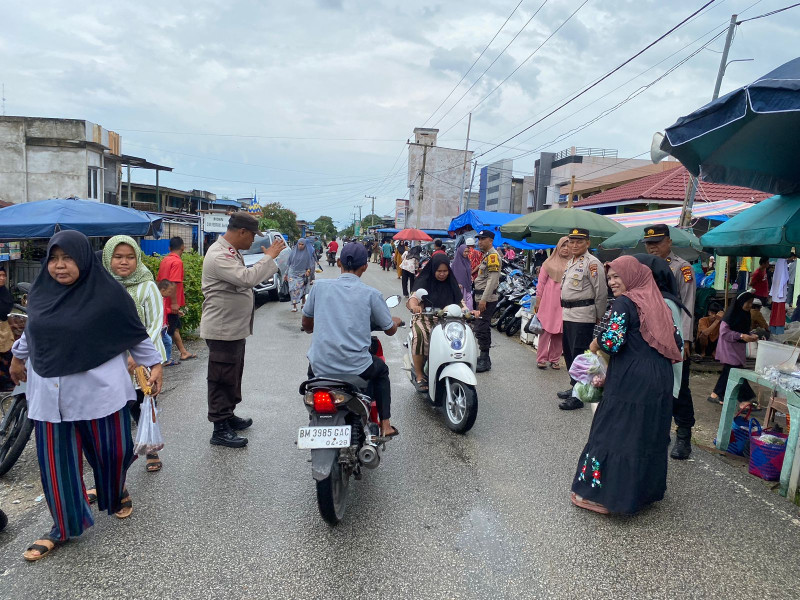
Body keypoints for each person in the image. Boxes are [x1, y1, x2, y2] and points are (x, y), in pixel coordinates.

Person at [9, 231, 164, 561]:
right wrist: (17, 356)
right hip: (49, 392)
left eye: (68, 259)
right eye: (53, 258)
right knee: (56, 463)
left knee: (115, 451)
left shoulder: (108, 296)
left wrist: (154, 364)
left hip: (98, 391)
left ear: (84, 260)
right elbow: (33, 330)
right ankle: (62, 527)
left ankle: (114, 487)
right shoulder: (40, 295)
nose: (60, 266)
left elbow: (133, 333)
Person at [570, 256, 682, 516]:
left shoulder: (625, 303)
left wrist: (596, 342)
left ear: (632, 277)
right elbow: (674, 339)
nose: (612, 282)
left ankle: (603, 497)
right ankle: (642, 494)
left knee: (613, 431)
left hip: (632, 378)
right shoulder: (658, 302)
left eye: (617, 276)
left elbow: (611, 343)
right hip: (660, 376)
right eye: (609, 278)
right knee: (644, 432)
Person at [200, 212, 286, 448]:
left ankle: (227, 415)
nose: (253, 242)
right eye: (252, 237)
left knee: (232, 375)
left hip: (232, 328)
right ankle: (219, 428)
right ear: (241, 232)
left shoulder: (230, 251)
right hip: (222, 328)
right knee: (220, 377)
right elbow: (247, 278)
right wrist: (268, 257)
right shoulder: (219, 255)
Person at [302, 243, 402, 436]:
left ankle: (314, 414)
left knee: (312, 376)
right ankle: (385, 425)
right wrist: (395, 322)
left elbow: (307, 325)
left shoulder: (319, 287)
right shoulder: (371, 294)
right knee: (381, 371)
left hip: (320, 366)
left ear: (338, 262)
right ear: (365, 266)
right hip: (358, 367)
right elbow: (389, 330)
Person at [102, 235, 168, 473]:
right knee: (119, 406)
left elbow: (154, 323)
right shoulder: (103, 285)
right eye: (118, 257)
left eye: (130, 257)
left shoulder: (146, 285)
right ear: (108, 258)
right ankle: (123, 452)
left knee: (144, 404)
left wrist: (137, 354)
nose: (124, 262)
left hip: (143, 361)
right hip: (113, 360)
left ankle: (151, 449)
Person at [644, 224, 697, 459]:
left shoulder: (681, 268)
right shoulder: (643, 266)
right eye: (649, 243)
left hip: (675, 337)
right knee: (654, 386)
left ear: (669, 242)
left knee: (679, 388)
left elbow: (688, 306)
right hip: (649, 336)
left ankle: (684, 436)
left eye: (657, 242)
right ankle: (660, 432)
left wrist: (685, 340)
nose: (653, 247)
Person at [557, 228, 607, 410]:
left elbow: (601, 292)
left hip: (583, 314)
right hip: (568, 313)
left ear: (588, 243)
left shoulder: (592, 263)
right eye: (572, 241)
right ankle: (574, 386)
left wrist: (598, 315)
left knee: (579, 354)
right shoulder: (571, 261)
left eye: (579, 241)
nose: (574, 245)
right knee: (569, 353)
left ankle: (579, 396)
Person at [407, 253, 467, 390]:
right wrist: (414, 306)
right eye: (439, 271)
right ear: (433, 269)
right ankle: (420, 375)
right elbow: (414, 297)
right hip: (425, 318)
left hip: (448, 320)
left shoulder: (452, 283)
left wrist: (468, 311)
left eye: (445, 271)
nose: (442, 274)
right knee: (420, 336)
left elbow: (460, 302)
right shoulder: (424, 281)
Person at [706, 293, 758, 408]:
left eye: (751, 302)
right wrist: (741, 336)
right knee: (736, 372)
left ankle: (716, 394)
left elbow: (743, 330)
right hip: (728, 348)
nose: (750, 305)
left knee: (728, 372)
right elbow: (724, 333)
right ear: (740, 302)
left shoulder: (745, 315)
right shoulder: (729, 316)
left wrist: (751, 335)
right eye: (748, 302)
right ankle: (746, 400)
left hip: (738, 348)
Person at [156, 237, 196, 361]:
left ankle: (183, 351)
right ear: (183, 247)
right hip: (171, 300)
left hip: (163, 298)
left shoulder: (165, 260)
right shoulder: (177, 262)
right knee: (171, 328)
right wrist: (174, 303)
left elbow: (159, 280)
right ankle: (170, 356)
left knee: (173, 326)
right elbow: (173, 282)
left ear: (169, 248)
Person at [534, 237, 569, 369]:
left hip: (565, 302)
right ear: (558, 247)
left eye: (568, 245)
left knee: (560, 331)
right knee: (545, 331)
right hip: (548, 302)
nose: (566, 248)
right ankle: (541, 358)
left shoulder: (574, 264)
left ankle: (554, 359)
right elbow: (541, 284)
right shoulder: (548, 263)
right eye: (563, 245)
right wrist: (538, 301)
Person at [472, 230, 503, 373]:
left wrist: (483, 300)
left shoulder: (493, 257)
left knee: (481, 328)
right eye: (478, 239)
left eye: (482, 239)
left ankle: (484, 359)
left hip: (487, 299)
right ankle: (484, 357)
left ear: (490, 240)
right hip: (481, 297)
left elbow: (492, 280)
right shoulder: (487, 256)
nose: (479, 242)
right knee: (481, 327)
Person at [285, 239, 315, 313]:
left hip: (303, 274)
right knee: (293, 289)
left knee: (303, 289)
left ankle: (303, 303)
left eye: (302, 244)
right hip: (293, 273)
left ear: (305, 245)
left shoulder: (308, 253)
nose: (300, 246)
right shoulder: (293, 252)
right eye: (299, 244)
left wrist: (308, 271)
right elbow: (289, 263)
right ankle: (294, 306)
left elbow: (311, 264)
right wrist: (285, 274)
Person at [157, 280, 178, 365]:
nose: (170, 294)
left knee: (168, 342)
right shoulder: (158, 299)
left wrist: (171, 311)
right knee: (164, 343)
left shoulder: (163, 298)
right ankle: (163, 360)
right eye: (169, 292)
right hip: (160, 327)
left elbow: (164, 311)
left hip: (163, 326)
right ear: (162, 290)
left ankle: (166, 359)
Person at [0, 265, 14, 392]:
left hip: (4, 328)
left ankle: (5, 382)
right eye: (0, 276)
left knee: (6, 354)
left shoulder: (4, 293)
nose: (2, 278)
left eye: (4, 275)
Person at [451, 243, 475, 311]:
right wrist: (456, 283)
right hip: (459, 287)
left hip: (467, 285)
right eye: (465, 251)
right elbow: (452, 274)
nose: (466, 253)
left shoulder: (467, 261)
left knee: (469, 302)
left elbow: (467, 271)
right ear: (461, 251)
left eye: (468, 251)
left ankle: (469, 316)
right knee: (461, 303)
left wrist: (470, 276)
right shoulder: (456, 262)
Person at [769, 258, 789, 334]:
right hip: (780, 293)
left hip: (776, 292)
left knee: (775, 313)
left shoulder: (779, 265)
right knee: (780, 315)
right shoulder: (783, 264)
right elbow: (784, 279)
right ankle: (778, 332)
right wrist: (780, 293)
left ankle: (773, 330)